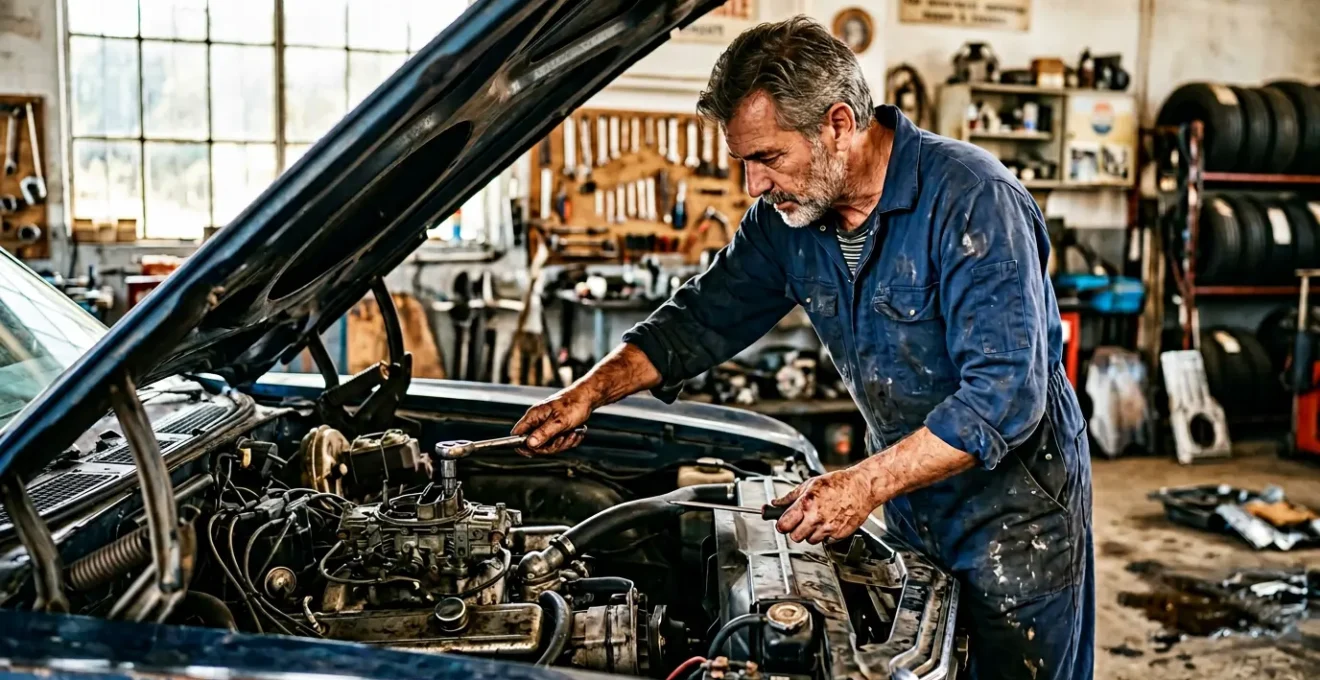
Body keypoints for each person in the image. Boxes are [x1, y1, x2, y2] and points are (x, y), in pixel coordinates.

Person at [512, 16, 1093, 680]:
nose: (753, 186)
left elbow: (1003, 396)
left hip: (1014, 516)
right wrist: (586, 393)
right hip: (913, 499)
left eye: (768, 158)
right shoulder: (788, 223)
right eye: (745, 162)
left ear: (839, 125)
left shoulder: (972, 200)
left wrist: (863, 483)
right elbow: (701, 317)